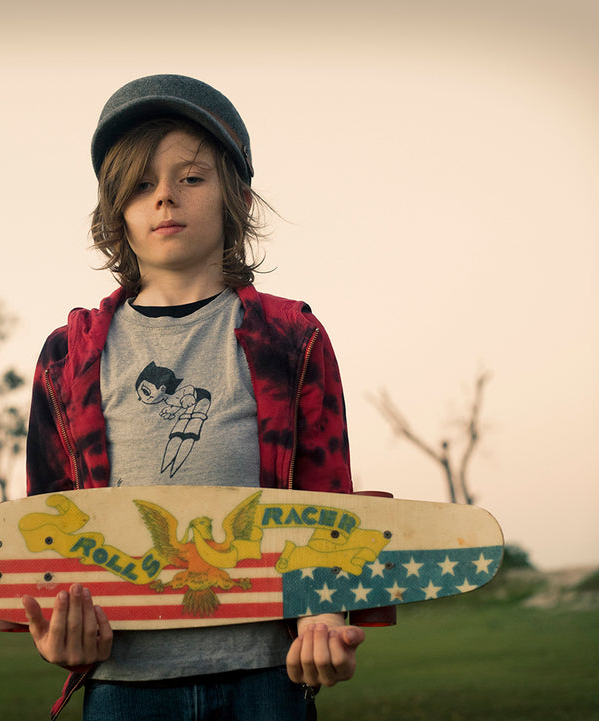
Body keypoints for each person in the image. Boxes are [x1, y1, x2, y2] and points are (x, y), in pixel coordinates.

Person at [20, 74, 365, 721]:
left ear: (236, 195)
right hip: (125, 683)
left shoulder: (291, 338)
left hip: (267, 676)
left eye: (191, 177)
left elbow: (327, 500)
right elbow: (51, 526)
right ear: (115, 207)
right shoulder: (68, 356)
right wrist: (62, 627)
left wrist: (323, 616)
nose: (165, 198)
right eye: (141, 184)